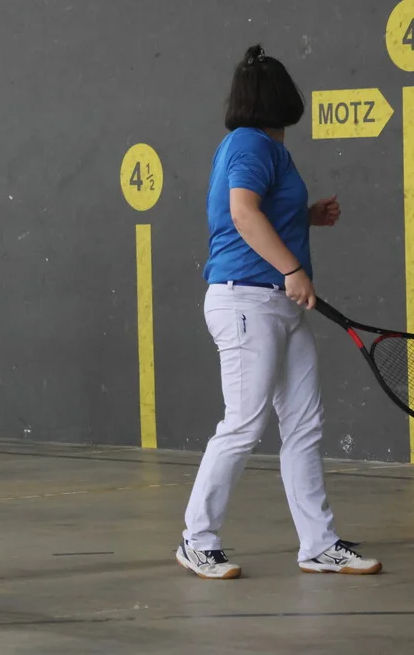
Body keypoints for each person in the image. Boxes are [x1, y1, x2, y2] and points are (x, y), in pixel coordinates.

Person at [177, 44, 381, 579]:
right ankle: (197, 540)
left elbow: (255, 211)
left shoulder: (265, 148)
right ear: (279, 97)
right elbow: (242, 214)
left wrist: (304, 217)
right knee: (243, 425)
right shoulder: (250, 144)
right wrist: (292, 268)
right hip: (247, 301)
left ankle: (318, 544)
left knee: (304, 424)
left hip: (276, 303)